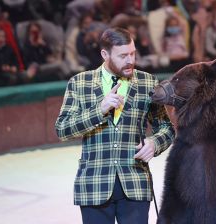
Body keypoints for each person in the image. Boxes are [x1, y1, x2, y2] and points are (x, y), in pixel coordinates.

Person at [55, 28, 175, 224]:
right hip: (94, 185)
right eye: (122, 55)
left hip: (135, 183)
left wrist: (154, 143)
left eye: (132, 53)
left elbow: (167, 128)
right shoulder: (79, 82)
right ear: (105, 54)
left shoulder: (147, 82)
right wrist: (99, 110)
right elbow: (62, 129)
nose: (130, 60)